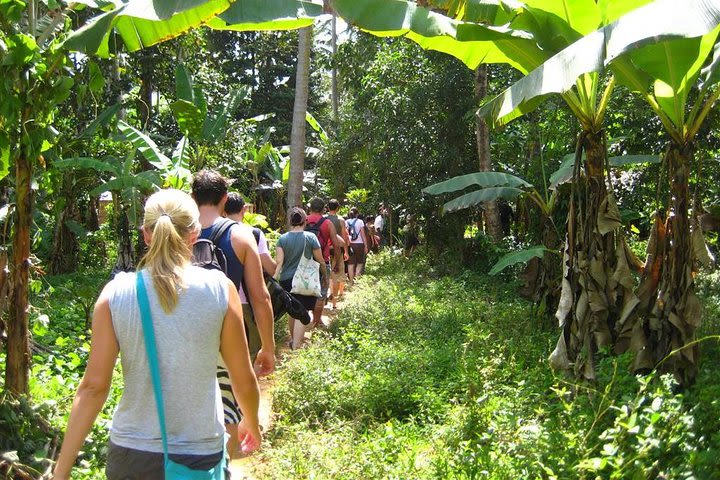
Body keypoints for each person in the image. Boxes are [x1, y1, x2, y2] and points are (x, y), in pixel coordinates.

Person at [52, 189, 260, 480]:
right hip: (199, 452)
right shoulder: (219, 289)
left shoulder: (115, 294)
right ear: (195, 233)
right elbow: (243, 378)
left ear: (145, 235)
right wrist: (250, 422)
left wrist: (61, 471)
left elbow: (93, 388)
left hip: (131, 455)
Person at [192, 170, 275, 458]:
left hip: (185, 330)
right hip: (229, 328)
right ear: (225, 199)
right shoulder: (240, 235)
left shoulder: (177, 233)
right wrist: (267, 346)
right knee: (229, 404)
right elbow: (260, 296)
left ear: (193, 197)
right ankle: (224, 463)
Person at [275, 207, 327, 350]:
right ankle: (297, 346)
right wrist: (324, 276)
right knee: (302, 311)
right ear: (305, 221)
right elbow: (320, 260)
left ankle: (293, 340)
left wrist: (273, 279)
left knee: (292, 311)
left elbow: (279, 262)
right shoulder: (310, 238)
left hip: (286, 280)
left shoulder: (282, 238)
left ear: (291, 221)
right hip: (304, 280)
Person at [305, 197, 342, 326]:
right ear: (323, 209)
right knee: (321, 293)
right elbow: (336, 245)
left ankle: (304, 320)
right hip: (323, 261)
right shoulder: (327, 223)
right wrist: (337, 262)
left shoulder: (303, 221)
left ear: (309, 208)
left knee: (304, 289)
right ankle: (317, 320)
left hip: (305, 262)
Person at [224, 192, 277, 276]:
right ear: (244, 209)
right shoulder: (255, 234)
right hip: (248, 288)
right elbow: (270, 268)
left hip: (221, 288)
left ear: (223, 210)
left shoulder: (215, 232)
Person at [326, 199, 349, 309]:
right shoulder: (341, 220)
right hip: (338, 250)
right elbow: (344, 237)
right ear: (338, 208)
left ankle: (330, 294)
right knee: (336, 274)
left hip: (325, 250)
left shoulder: (324, 219)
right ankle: (334, 303)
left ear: (327, 207)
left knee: (329, 274)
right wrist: (346, 251)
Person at [345, 207, 368, 285]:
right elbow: (363, 235)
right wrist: (366, 246)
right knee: (360, 263)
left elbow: (345, 234)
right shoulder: (360, 222)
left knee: (350, 264)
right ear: (357, 214)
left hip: (350, 244)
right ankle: (357, 279)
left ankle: (351, 282)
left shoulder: (346, 221)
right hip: (359, 244)